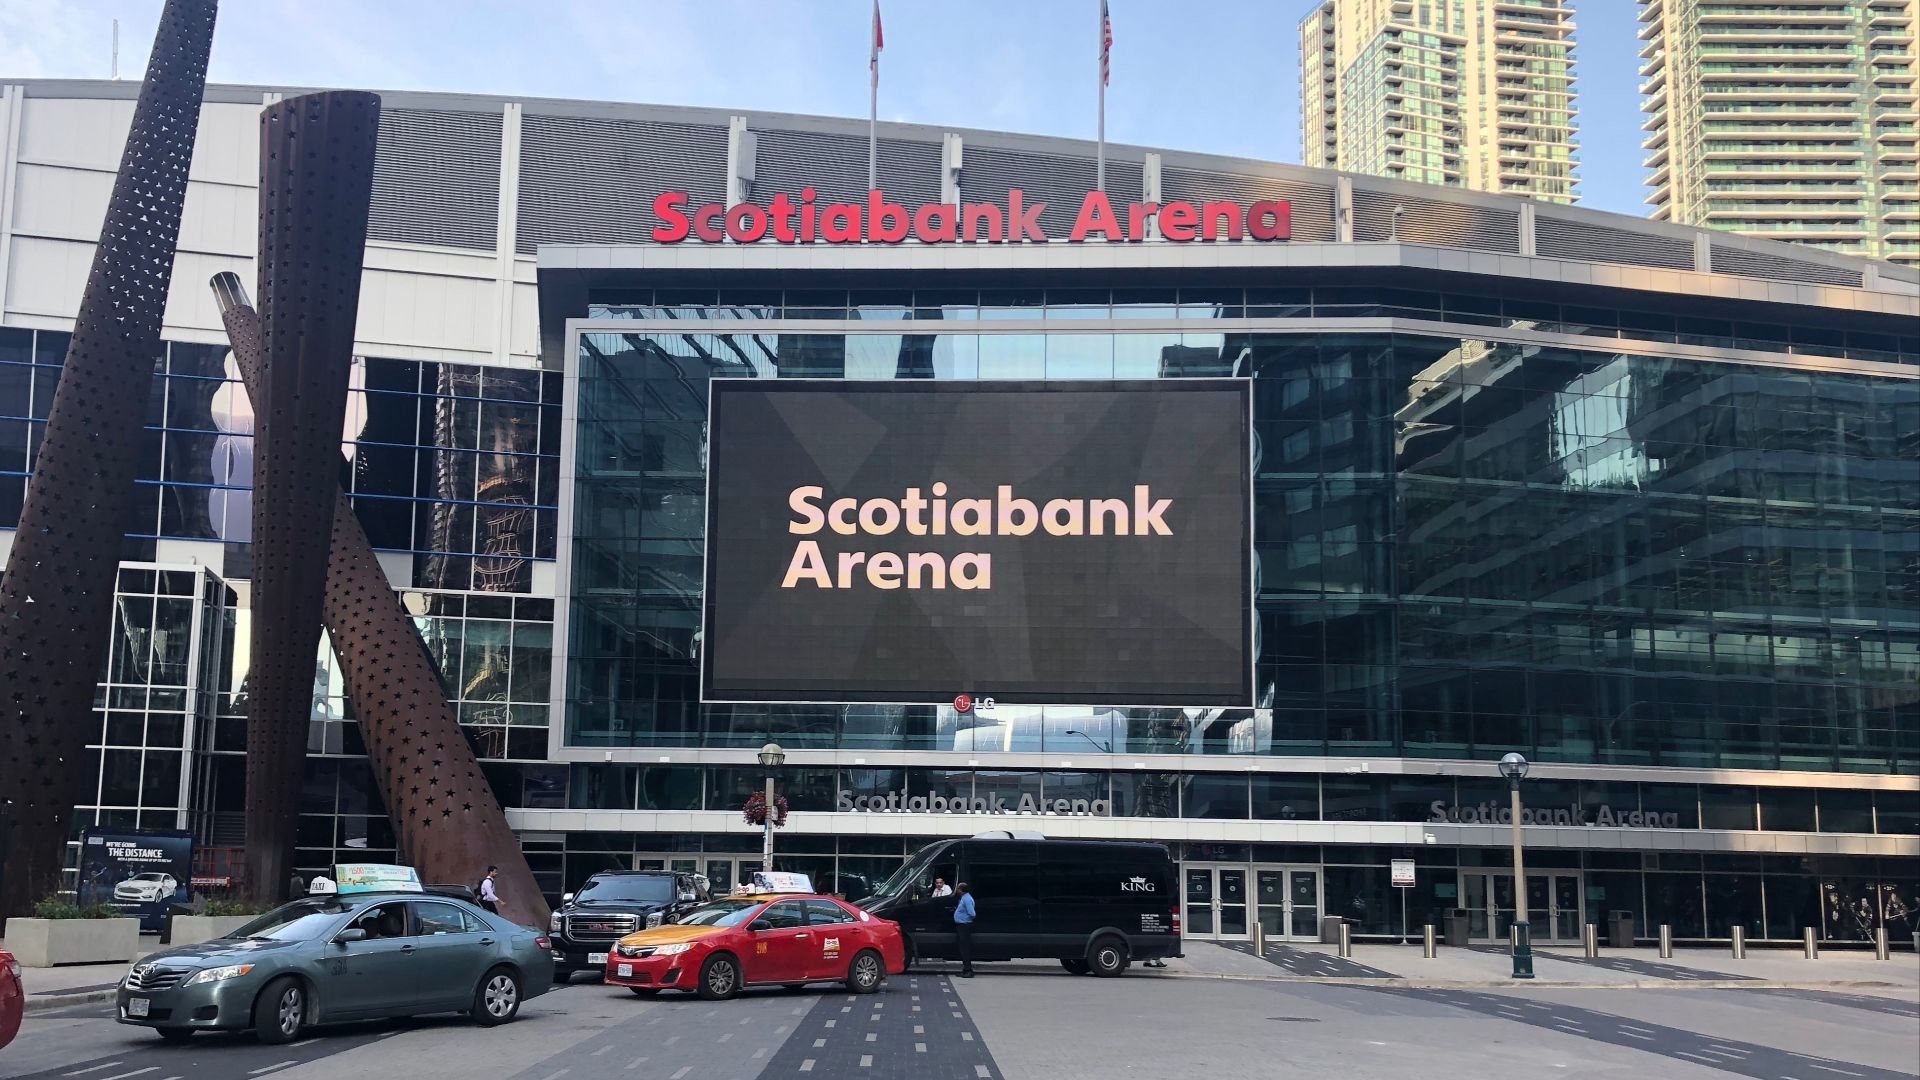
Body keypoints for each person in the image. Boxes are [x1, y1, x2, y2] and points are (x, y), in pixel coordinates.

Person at [953, 882, 976, 978]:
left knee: (964, 948)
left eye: (958, 888)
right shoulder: (965, 898)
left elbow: (972, 913)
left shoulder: (967, 899)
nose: (957, 890)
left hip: (964, 926)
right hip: (962, 926)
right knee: (963, 948)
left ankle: (968, 970)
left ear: (961, 890)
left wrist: (964, 919)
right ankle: (965, 969)